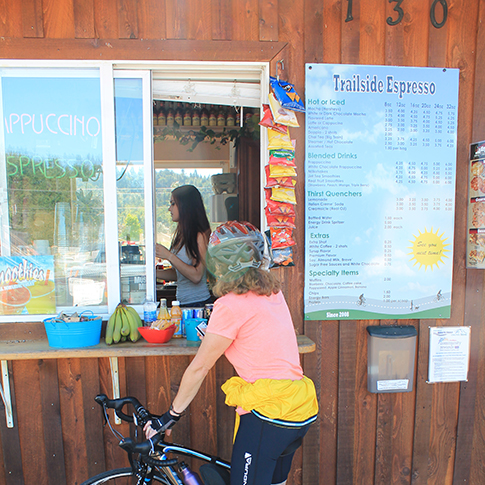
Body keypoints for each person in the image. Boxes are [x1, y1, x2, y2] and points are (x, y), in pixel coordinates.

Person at [145, 221, 319, 485]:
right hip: (297, 409)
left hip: (267, 414)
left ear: (222, 265)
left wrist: (170, 416)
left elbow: (199, 368)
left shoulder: (229, 305)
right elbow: (258, 337)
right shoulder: (273, 293)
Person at [156, 185, 212, 307]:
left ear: (185, 206)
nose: (169, 209)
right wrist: (151, 273)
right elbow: (180, 274)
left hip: (198, 304)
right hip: (182, 304)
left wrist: (169, 256)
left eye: (173, 204)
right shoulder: (181, 235)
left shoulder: (200, 236)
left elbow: (197, 276)